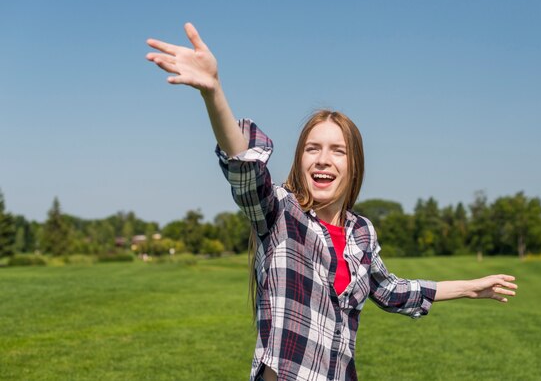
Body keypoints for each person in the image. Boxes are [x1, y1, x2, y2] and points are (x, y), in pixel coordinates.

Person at [146, 23, 518, 381]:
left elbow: (391, 290)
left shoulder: (362, 233)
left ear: (353, 164)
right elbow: (244, 168)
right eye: (313, 148)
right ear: (301, 160)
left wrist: (472, 287)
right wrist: (214, 92)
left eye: (337, 151)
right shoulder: (279, 215)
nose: (323, 159)